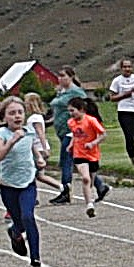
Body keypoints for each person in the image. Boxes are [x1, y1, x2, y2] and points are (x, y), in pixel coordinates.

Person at [0, 97, 43, 267]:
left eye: (20, 112)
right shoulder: (2, 133)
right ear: (5, 117)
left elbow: (32, 148)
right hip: (8, 187)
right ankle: (15, 232)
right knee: (19, 223)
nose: (17, 116)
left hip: (28, 183)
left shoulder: (28, 132)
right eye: (12, 113)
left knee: (29, 216)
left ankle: (35, 262)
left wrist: (39, 157)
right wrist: (11, 141)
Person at [48, 66, 108, 205]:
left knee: (66, 161)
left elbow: (85, 110)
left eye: (63, 76)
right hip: (63, 130)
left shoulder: (76, 92)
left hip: (73, 133)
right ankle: (100, 186)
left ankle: (66, 191)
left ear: (71, 77)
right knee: (77, 162)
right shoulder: (62, 92)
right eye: (59, 76)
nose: (60, 78)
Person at [66, 96, 106, 218]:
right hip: (79, 154)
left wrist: (93, 143)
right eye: (69, 111)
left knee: (91, 181)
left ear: (81, 109)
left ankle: (91, 193)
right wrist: (71, 145)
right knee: (85, 178)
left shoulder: (91, 121)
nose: (71, 113)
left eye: (73, 110)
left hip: (92, 154)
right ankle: (89, 205)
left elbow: (103, 134)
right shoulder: (71, 123)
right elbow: (75, 135)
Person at [108, 57, 134, 166]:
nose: (127, 69)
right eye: (125, 67)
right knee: (128, 136)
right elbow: (112, 97)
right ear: (121, 68)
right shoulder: (117, 81)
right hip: (124, 111)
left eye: (129, 66)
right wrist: (124, 94)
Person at [22, 92, 64, 193]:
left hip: (38, 148)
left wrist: (44, 148)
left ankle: (32, 196)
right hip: (38, 147)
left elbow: (40, 133)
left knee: (30, 173)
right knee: (40, 175)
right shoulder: (36, 117)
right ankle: (62, 187)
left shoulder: (34, 118)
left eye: (26, 103)